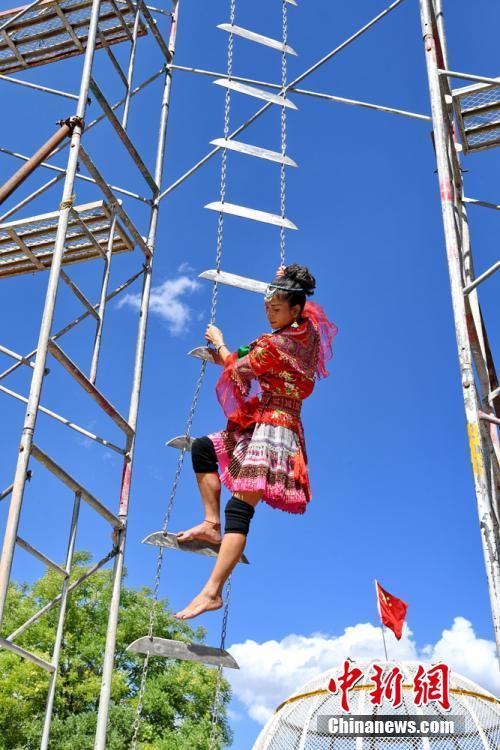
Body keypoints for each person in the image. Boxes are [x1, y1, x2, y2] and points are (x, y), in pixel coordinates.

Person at [174, 263, 338, 620]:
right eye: (267, 306)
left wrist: (218, 343)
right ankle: (210, 523)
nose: (269, 312)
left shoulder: (276, 345)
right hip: (263, 421)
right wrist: (283, 276)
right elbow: (304, 301)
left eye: (276, 308)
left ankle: (212, 592)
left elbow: (234, 366)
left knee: (241, 508)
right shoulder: (304, 330)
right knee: (203, 447)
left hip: (277, 430)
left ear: (294, 310)